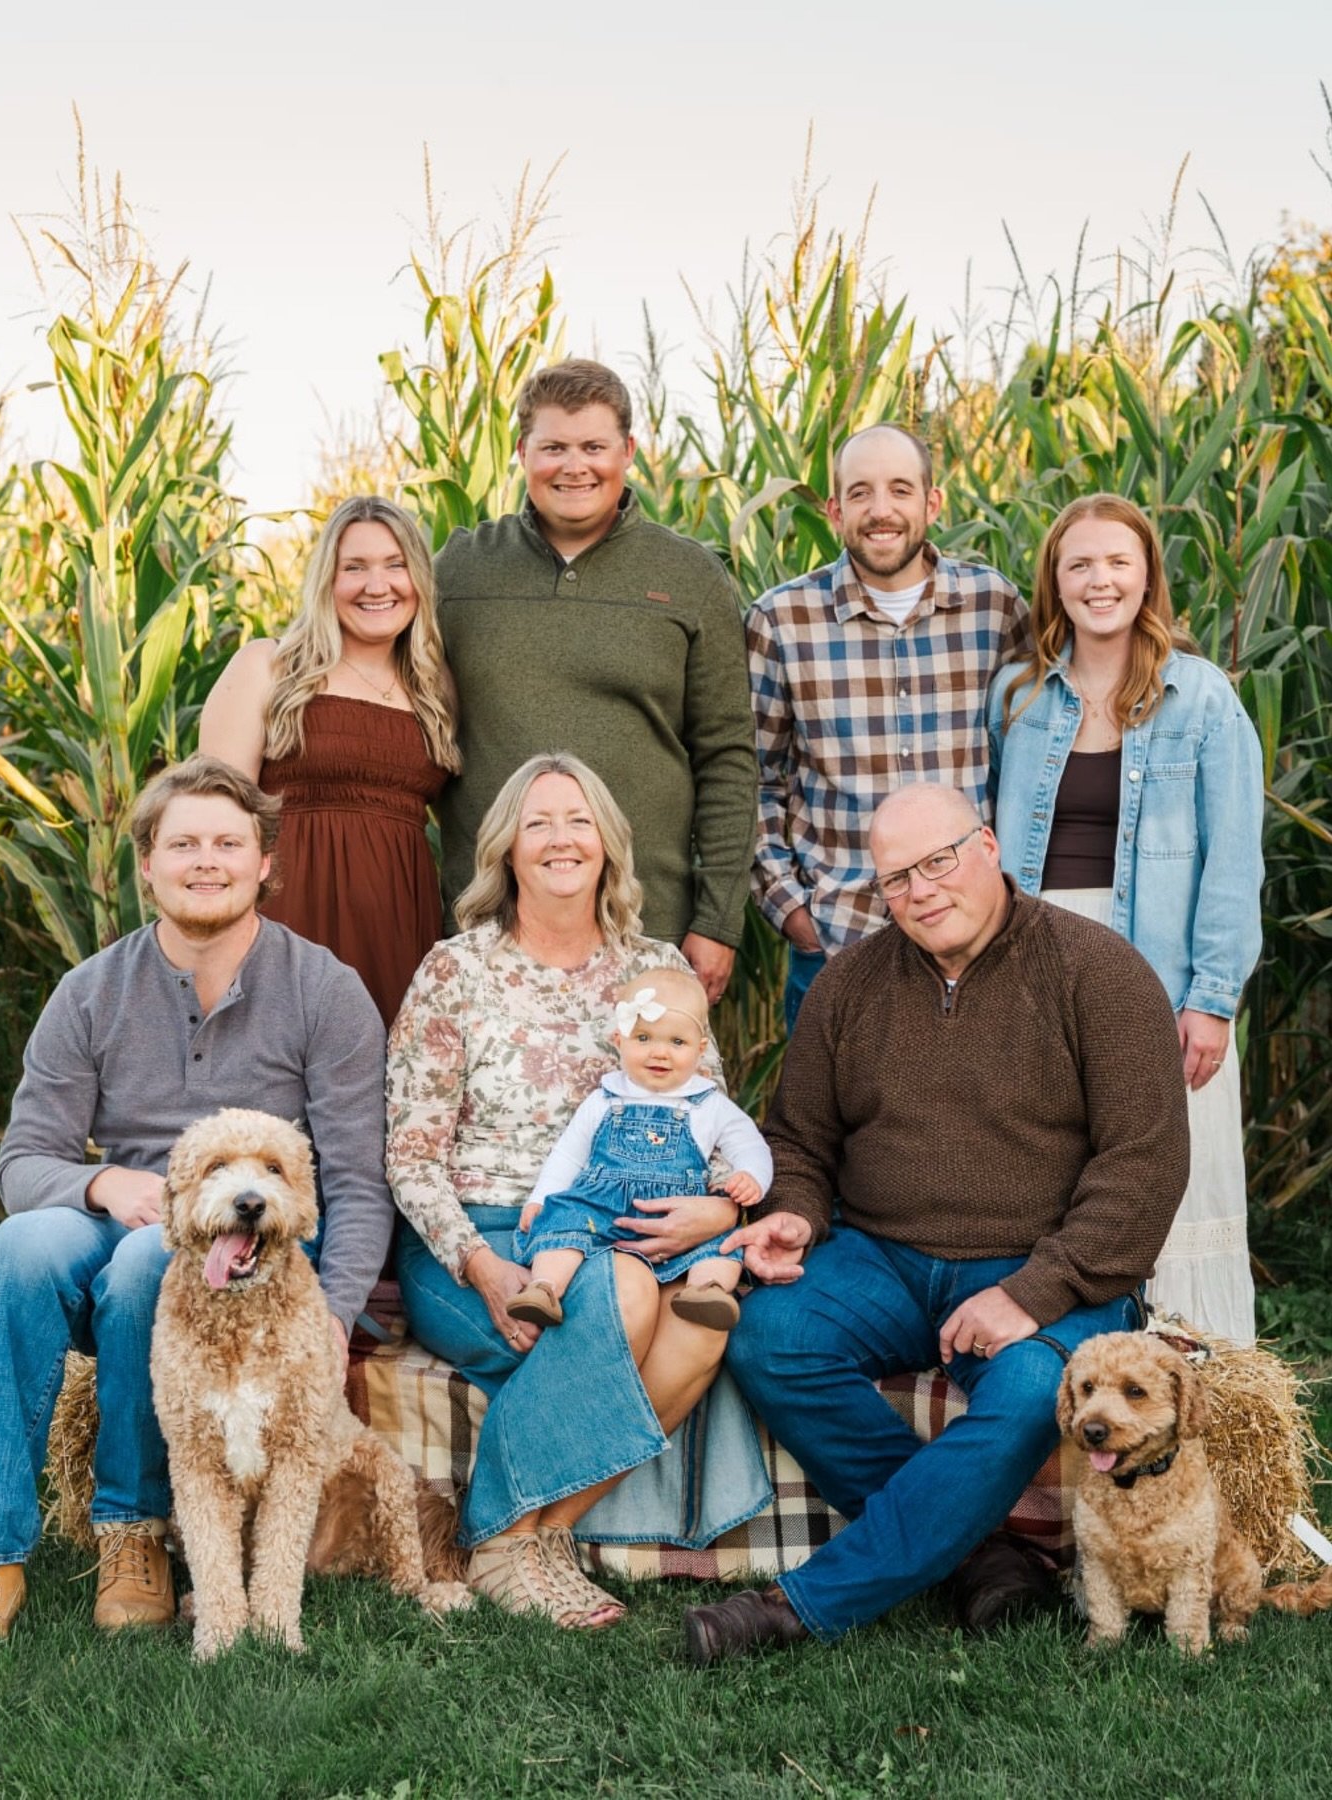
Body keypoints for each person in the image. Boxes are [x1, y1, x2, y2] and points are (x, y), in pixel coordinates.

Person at [682, 783, 1190, 1662]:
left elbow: (1144, 1167)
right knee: (769, 1337)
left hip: (1044, 1266)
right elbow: (798, 1139)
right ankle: (978, 1553)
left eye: (938, 862)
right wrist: (795, 1213)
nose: (920, 891)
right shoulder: (848, 983)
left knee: (1034, 1391)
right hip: (883, 1258)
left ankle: (798, 1608)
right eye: (896, 879)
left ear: (988, 846)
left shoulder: (1100, 973)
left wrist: (1033, 1292)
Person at [0, 756, 393, 1650]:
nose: (206, 860)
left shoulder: (325, 990)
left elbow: (355, 1181)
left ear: (265, 862)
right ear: (147, 864)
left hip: (244, 1243)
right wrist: (104, 1184)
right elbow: (23, 1163)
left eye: (228, 843)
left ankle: (132, 1533)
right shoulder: (91, 991)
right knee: (17, 1252)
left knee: (156, 1261)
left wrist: (333, 1314)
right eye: (183, 844)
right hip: (108, 1215)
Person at [386, 753, 771, 1630]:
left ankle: (531, 1536)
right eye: (539, 823)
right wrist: (482, 1266)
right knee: (625, 1291)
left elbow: (713, 1119)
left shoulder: (656, 966)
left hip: (640, 1228)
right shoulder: (456, 972)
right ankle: (510, 1534)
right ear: (506, 850)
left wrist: (721, 1209)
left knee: (702, 1330)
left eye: (579, 821)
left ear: (608, 844)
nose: (561, 840)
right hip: (482, 1236)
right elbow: (411, 1157)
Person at [987, 494, 1264, 1344]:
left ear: (1147, 577)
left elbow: (1234, 860)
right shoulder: (1019, 696)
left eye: (1118, 562)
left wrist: (1212, 998)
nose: (1099, 580)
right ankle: (1072, 1365)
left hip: (1163, 971)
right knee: (1059, 1162)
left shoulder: (1201, 696)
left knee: (1174, 1171)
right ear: (1055, 581)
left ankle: (1199, 1369)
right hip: (1040, 968)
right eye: (1080, 564)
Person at [432, 358, 756, 1005]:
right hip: (489, 930)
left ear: (628, 451)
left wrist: (718, 921)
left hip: (647, 926)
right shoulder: (459, 571)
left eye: (593, 447)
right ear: (522, 452)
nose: (574, 466)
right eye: (554, 447)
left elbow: (727, 756)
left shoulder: (690, 576)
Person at [745, 424, 1032, 1030]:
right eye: (860, 493)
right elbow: (754, 781)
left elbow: (1030, 768)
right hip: (838, 941)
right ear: (834, 511)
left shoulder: (995, 608)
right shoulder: (782, 621)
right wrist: (792, 911)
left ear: (932, 502)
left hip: (980, 947)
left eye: (900, 490)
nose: (881, 510)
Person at [200, 495, 459, 1031]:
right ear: (327, 580)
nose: (377, 585)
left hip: (399, 930)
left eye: (395, 565)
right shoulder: (269, 667)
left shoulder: (435, 689)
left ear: (418, 578)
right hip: (288, 926)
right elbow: (213, 822)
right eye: (354, 567)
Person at [507, 966, 773, 1333]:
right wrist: (541, 1197)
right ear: (619, 1040)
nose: (659, 1053)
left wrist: (751, 1175)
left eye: (677, 1042)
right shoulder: (604, 1099)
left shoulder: (709, 1105)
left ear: (700, 1050)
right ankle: (545, 1288)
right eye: (644, 1038)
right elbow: (568, 1155)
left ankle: (707, 1289)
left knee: (722, 1243)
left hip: (677, 1215)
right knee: (563, 1219)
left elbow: (750, 1145)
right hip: (601, 1210)